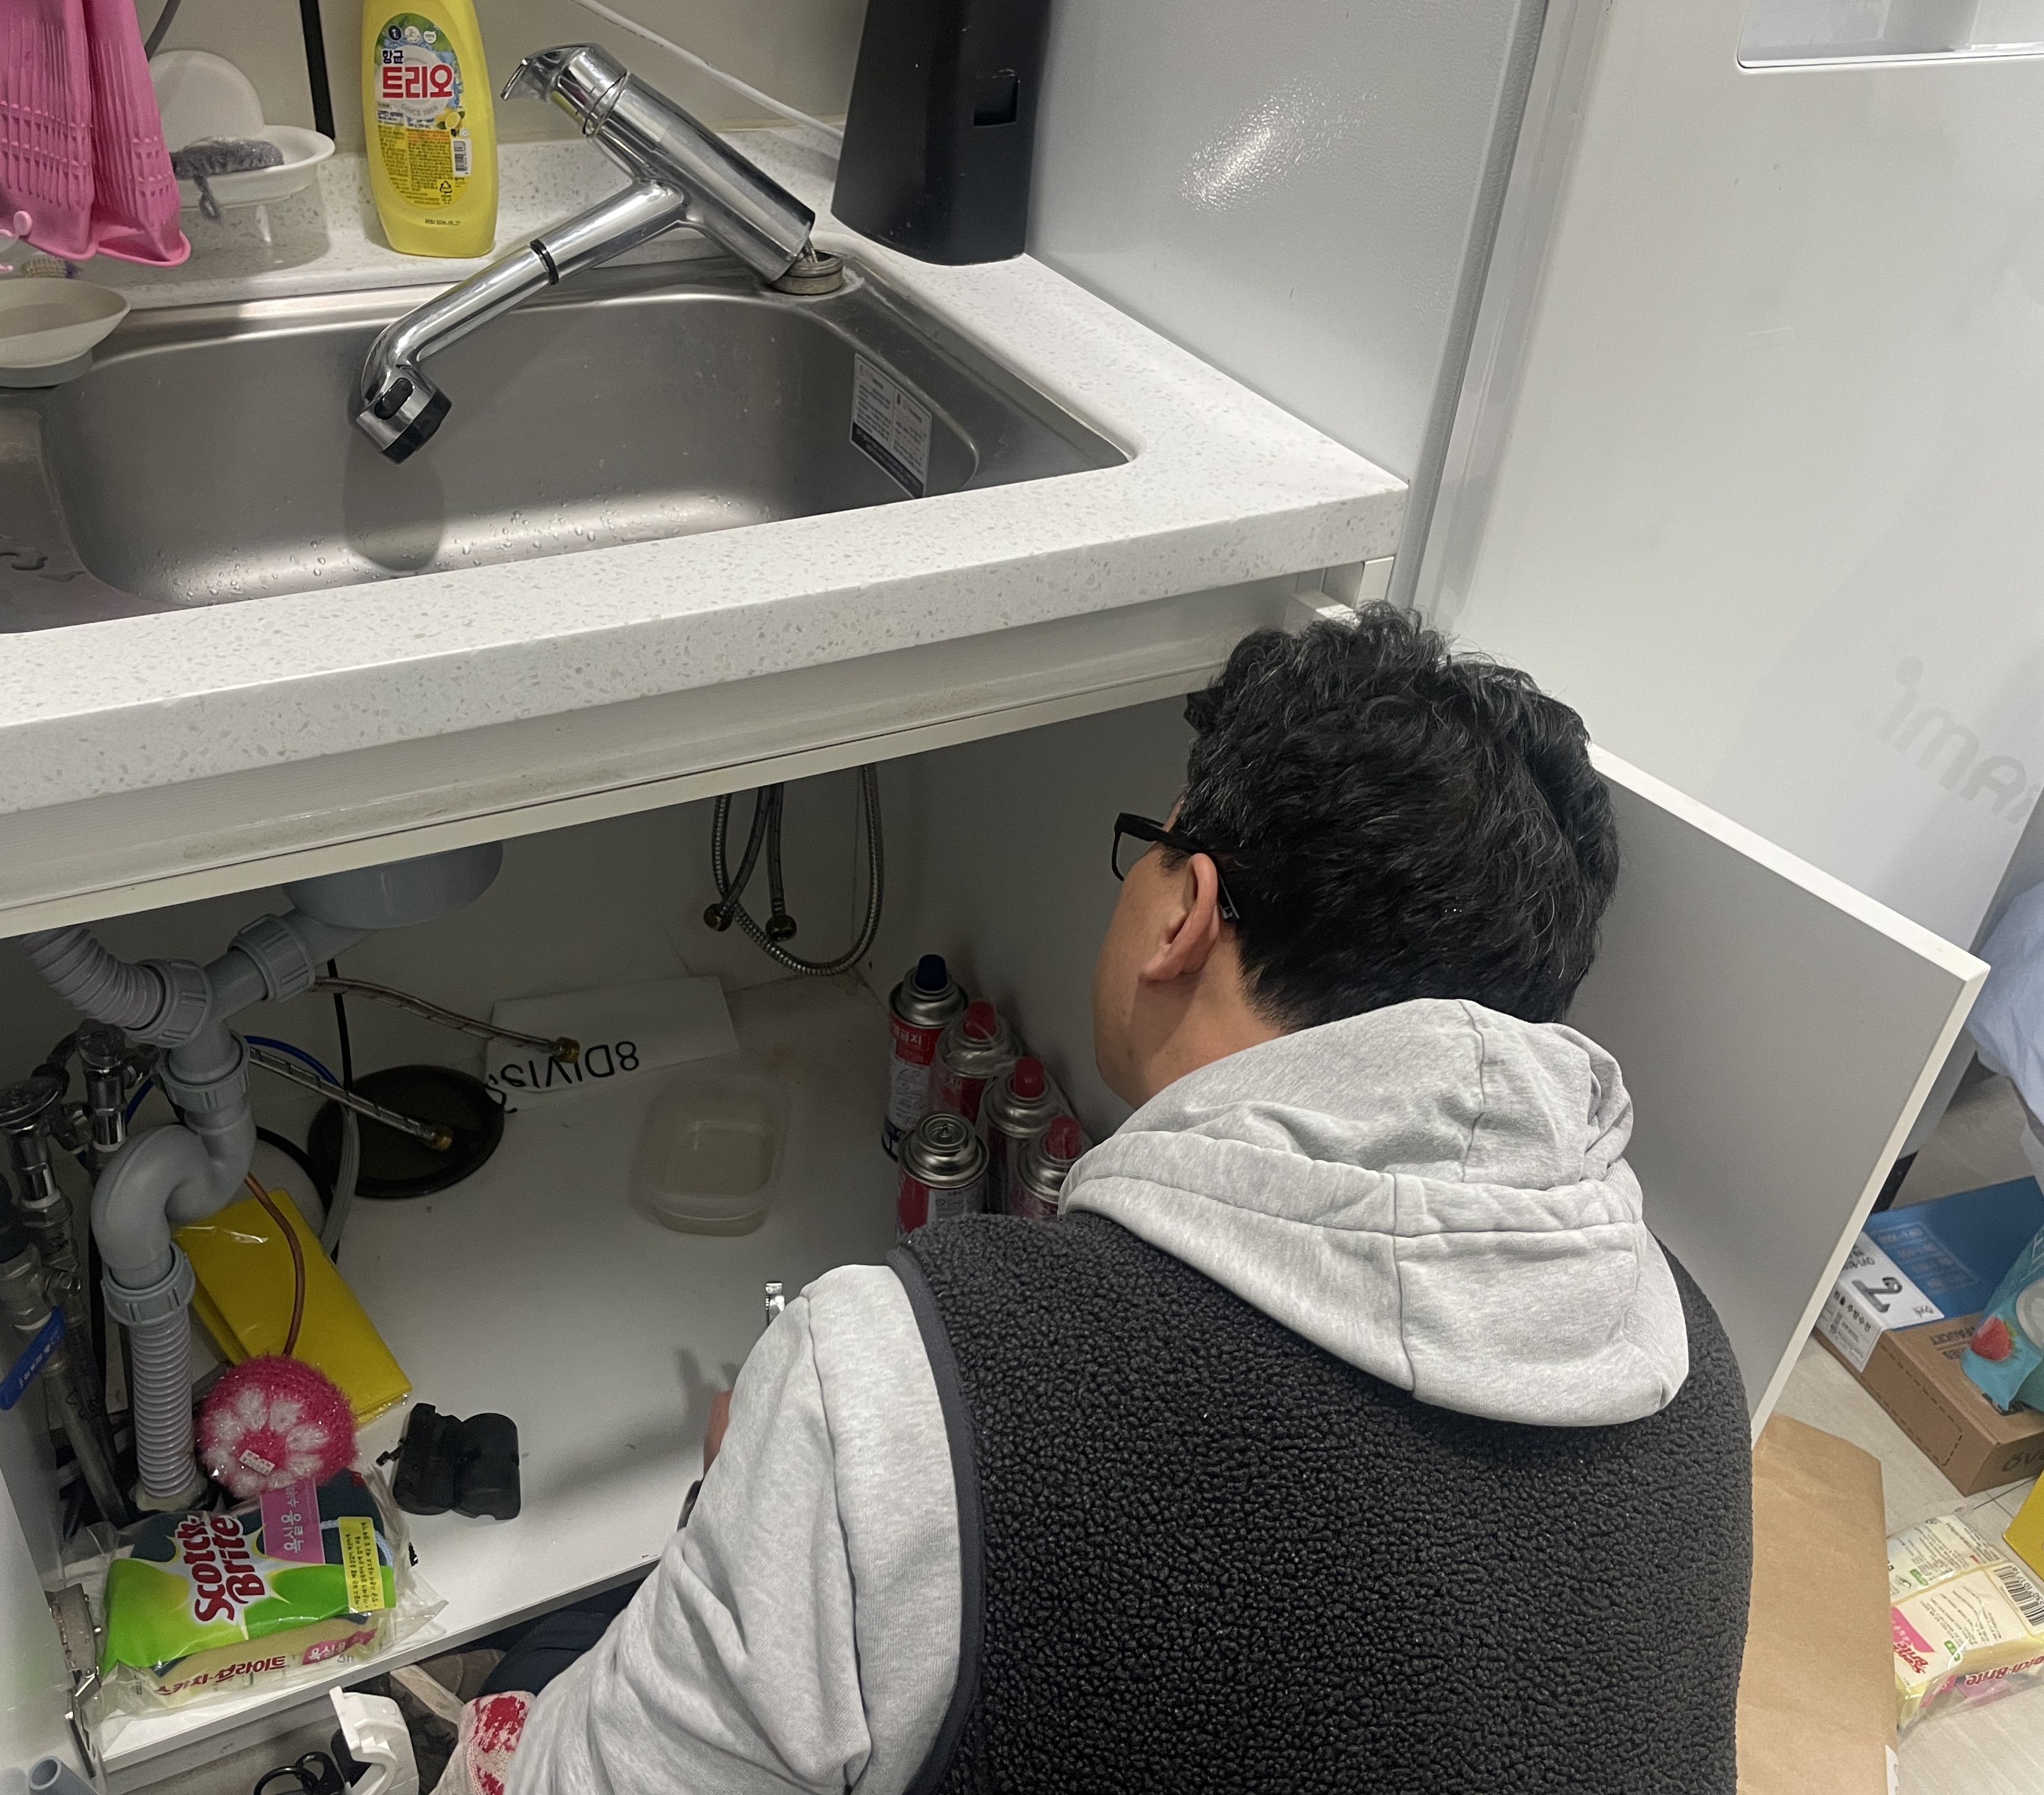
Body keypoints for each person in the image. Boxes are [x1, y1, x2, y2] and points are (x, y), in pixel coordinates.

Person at [457, 605, 1752, 1794]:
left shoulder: (900, 1388)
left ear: (1186, 912)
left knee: (543, 1659)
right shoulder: (1690, 1356)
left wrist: (741, 1509)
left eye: (1154, 845)